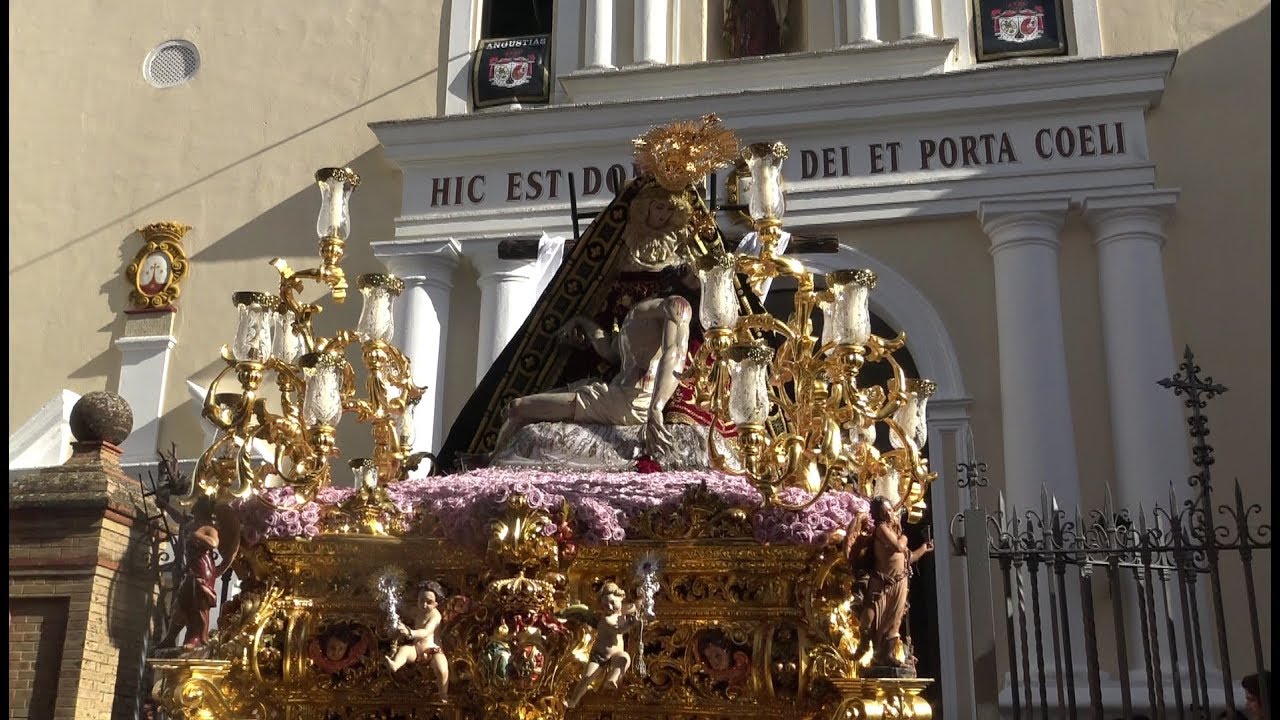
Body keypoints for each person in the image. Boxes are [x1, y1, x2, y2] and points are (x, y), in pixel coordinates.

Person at [492, 186, 696, 460]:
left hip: (630, 401)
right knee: (513, 411)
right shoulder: (637, 314)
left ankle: (488, 468)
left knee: (518, 408)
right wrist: (579, 320)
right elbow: (611, 351)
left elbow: (675, 354)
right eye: (660, 208)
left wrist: (657, 408)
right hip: (611, 390)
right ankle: (489, 462)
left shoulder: (676, 307)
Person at [853, 496, 934, 667]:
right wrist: (905, 536)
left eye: (890, 510)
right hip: (882, 583)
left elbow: (906, 558)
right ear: (879, 516)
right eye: (885, 512)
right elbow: (898, 546)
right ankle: (870, 648)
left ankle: (886, 655)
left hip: (899, 582)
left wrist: (923, 549)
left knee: (894, 621)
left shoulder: (893, 530)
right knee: (872, 616)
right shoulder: (881, 529)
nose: (889, 514)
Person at [567, 582, 640, 708]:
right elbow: (619, 629)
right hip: (599, 656)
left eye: (613, 602)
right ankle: (573, 700)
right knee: (587, 677)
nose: (610, 607)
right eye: (605, 605)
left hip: (615, 655)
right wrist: (630, 624)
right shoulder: (606, 619)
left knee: (624, 658)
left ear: (620, 598)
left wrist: (643, 597)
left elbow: (635, 606)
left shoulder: (621, 611)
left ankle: (612, 679)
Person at [385, 581, 450, 701]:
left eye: (429, 602)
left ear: (436, 603)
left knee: (442, 669)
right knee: (403, 650)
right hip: (416, 649)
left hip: (433, 650)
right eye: (421, 601)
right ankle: (395, 664)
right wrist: (392, 601)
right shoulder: (417, 612)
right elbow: (404, 610)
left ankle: (443, 695)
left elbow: (426, 631)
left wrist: (410, 632)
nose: (424, 605)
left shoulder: (436, 616)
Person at [158, 524, 220, 651]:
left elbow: (213, 543)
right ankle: (170, 637)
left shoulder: (208, 529)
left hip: (203, 573)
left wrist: (196, 535)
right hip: (192, 572)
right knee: (180, 603)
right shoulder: (190, 527)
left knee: (200, 606)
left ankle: (199, 638)